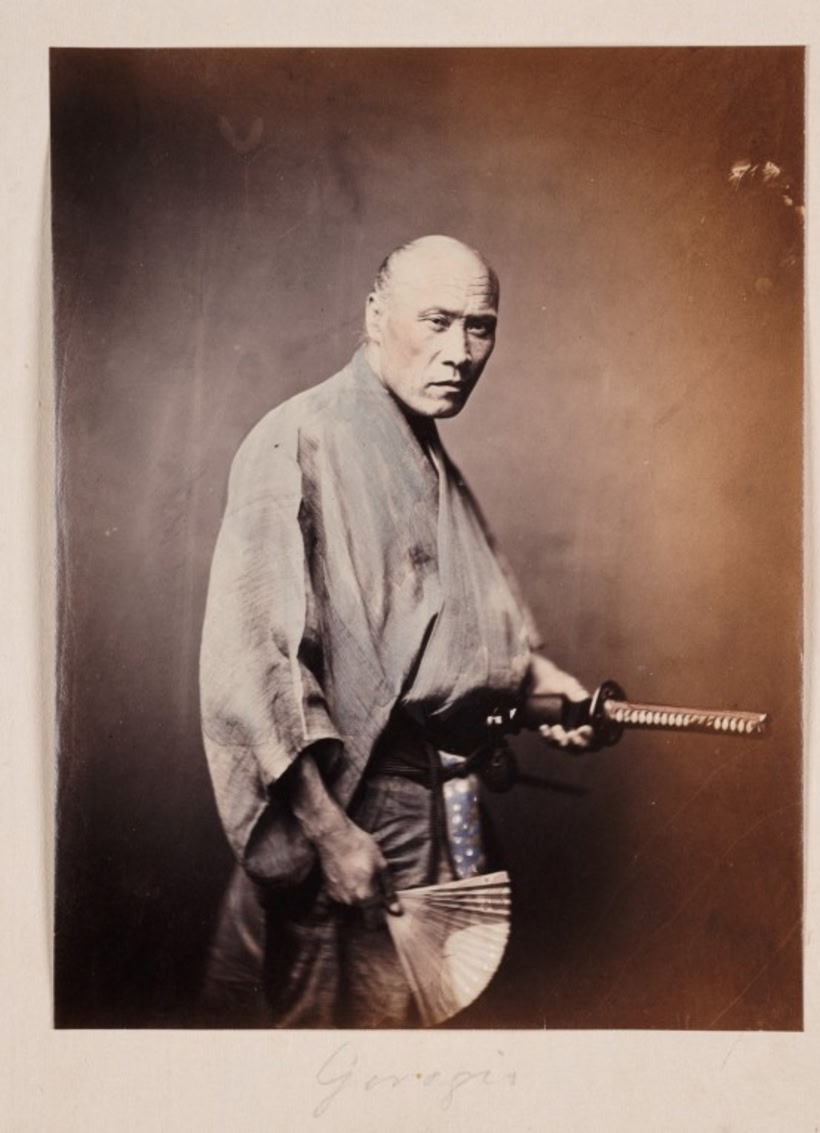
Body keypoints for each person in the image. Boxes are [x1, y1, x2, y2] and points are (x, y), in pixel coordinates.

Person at [199, 234, 593, 1028]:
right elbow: (260, 663)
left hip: (436, 800)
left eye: (479, 327)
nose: (459, 352)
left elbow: (465, 626)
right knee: (332, 1043)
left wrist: (545, 684)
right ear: (376, 316)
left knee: (404, 1035)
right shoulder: (297, 438)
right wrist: (329, 832)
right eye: (437, 321)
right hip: (345, 803)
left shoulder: (425, 452)